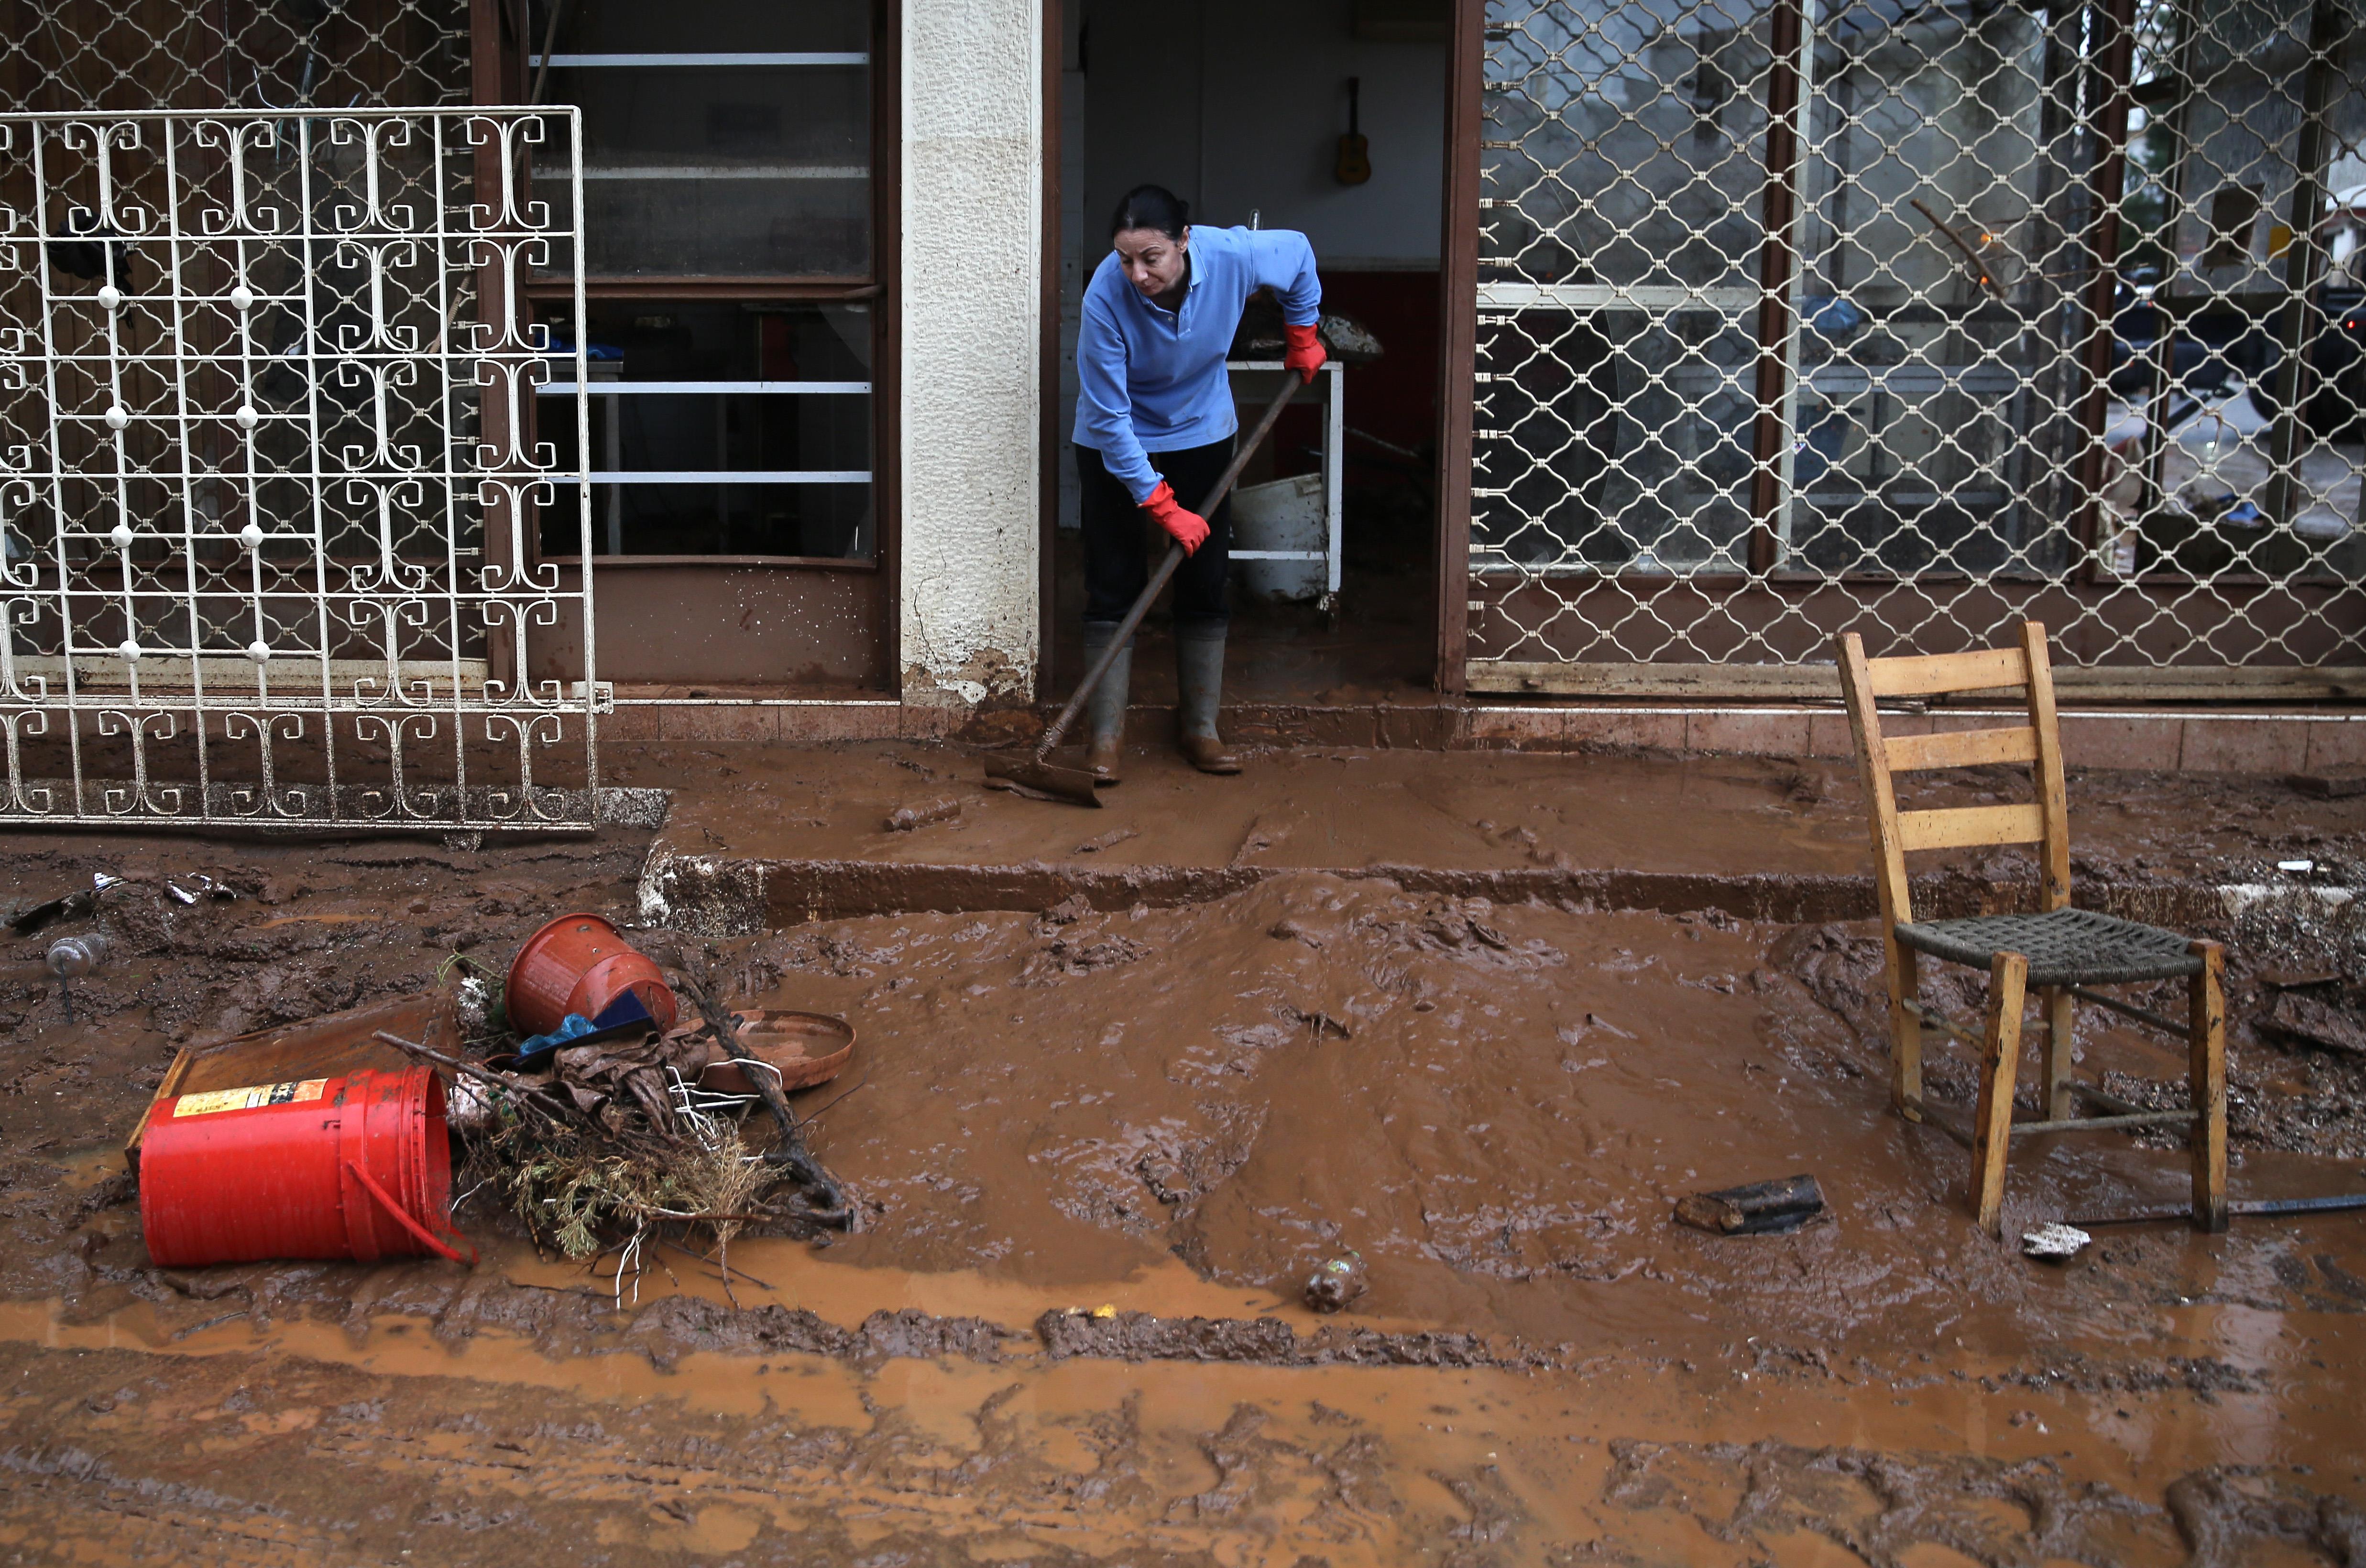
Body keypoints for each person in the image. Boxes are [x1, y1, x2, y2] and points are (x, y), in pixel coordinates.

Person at [1072, 184, 1325, 779]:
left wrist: (1302, 332)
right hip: (1118, 433)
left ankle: (1200, 728)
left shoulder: (1233, 255)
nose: (1137, 274)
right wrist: (1160, 505)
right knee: (1113, 577)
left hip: (1201, 427)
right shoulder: (1104, 295)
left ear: (1184, 242)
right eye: (1125, 259)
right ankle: (1104, 738)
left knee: (1205, 577)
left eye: (1151, 258)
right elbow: (1109, 418)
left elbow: (1298, 255)